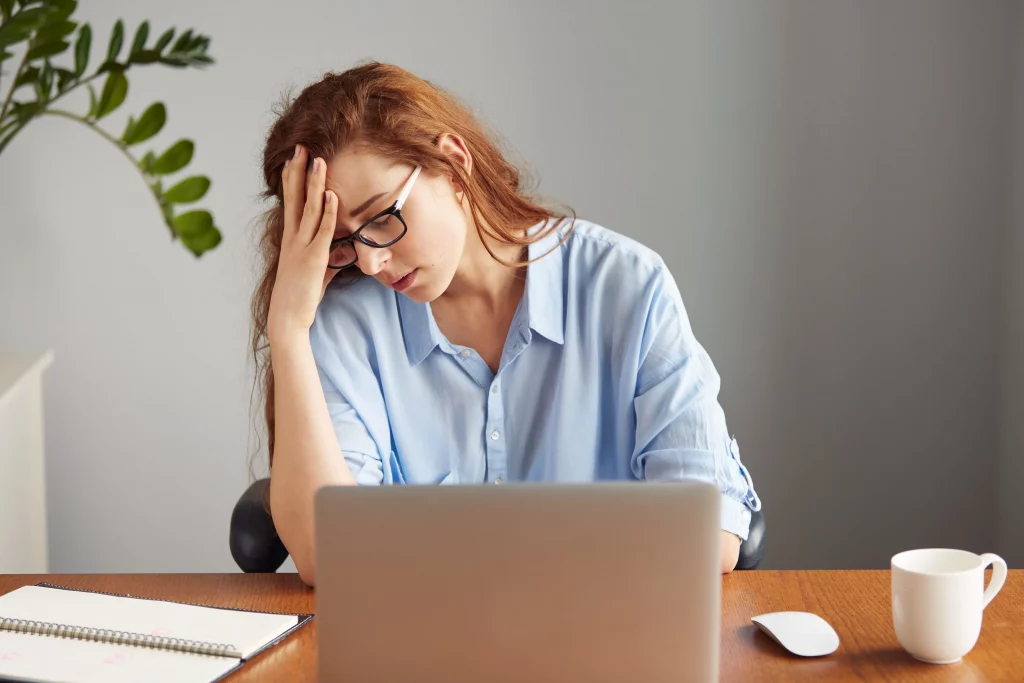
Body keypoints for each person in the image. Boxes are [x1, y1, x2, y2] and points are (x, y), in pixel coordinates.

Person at [252, 61, 761, 587]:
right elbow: (326, 556)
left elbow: (712, 531)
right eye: (343, 239)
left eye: (382, 217)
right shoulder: (346, 322)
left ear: (452, 164)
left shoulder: (626, 285)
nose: (371, 262)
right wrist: (288, 331)